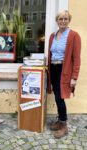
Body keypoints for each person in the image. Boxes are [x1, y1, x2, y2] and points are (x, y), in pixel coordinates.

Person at [47, 10, 81, 138]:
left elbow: (77, 59)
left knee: (60, 98)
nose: (63, 21)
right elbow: (50, 54)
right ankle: (60, 120)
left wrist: (74, 77)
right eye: (60, 19)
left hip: (64, 69)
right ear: (57, 21)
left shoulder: (74, 36)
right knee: (57, 96)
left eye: (65, 19)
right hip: (54, 69)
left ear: (69, 20)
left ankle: (64, 125)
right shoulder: (52, 36)